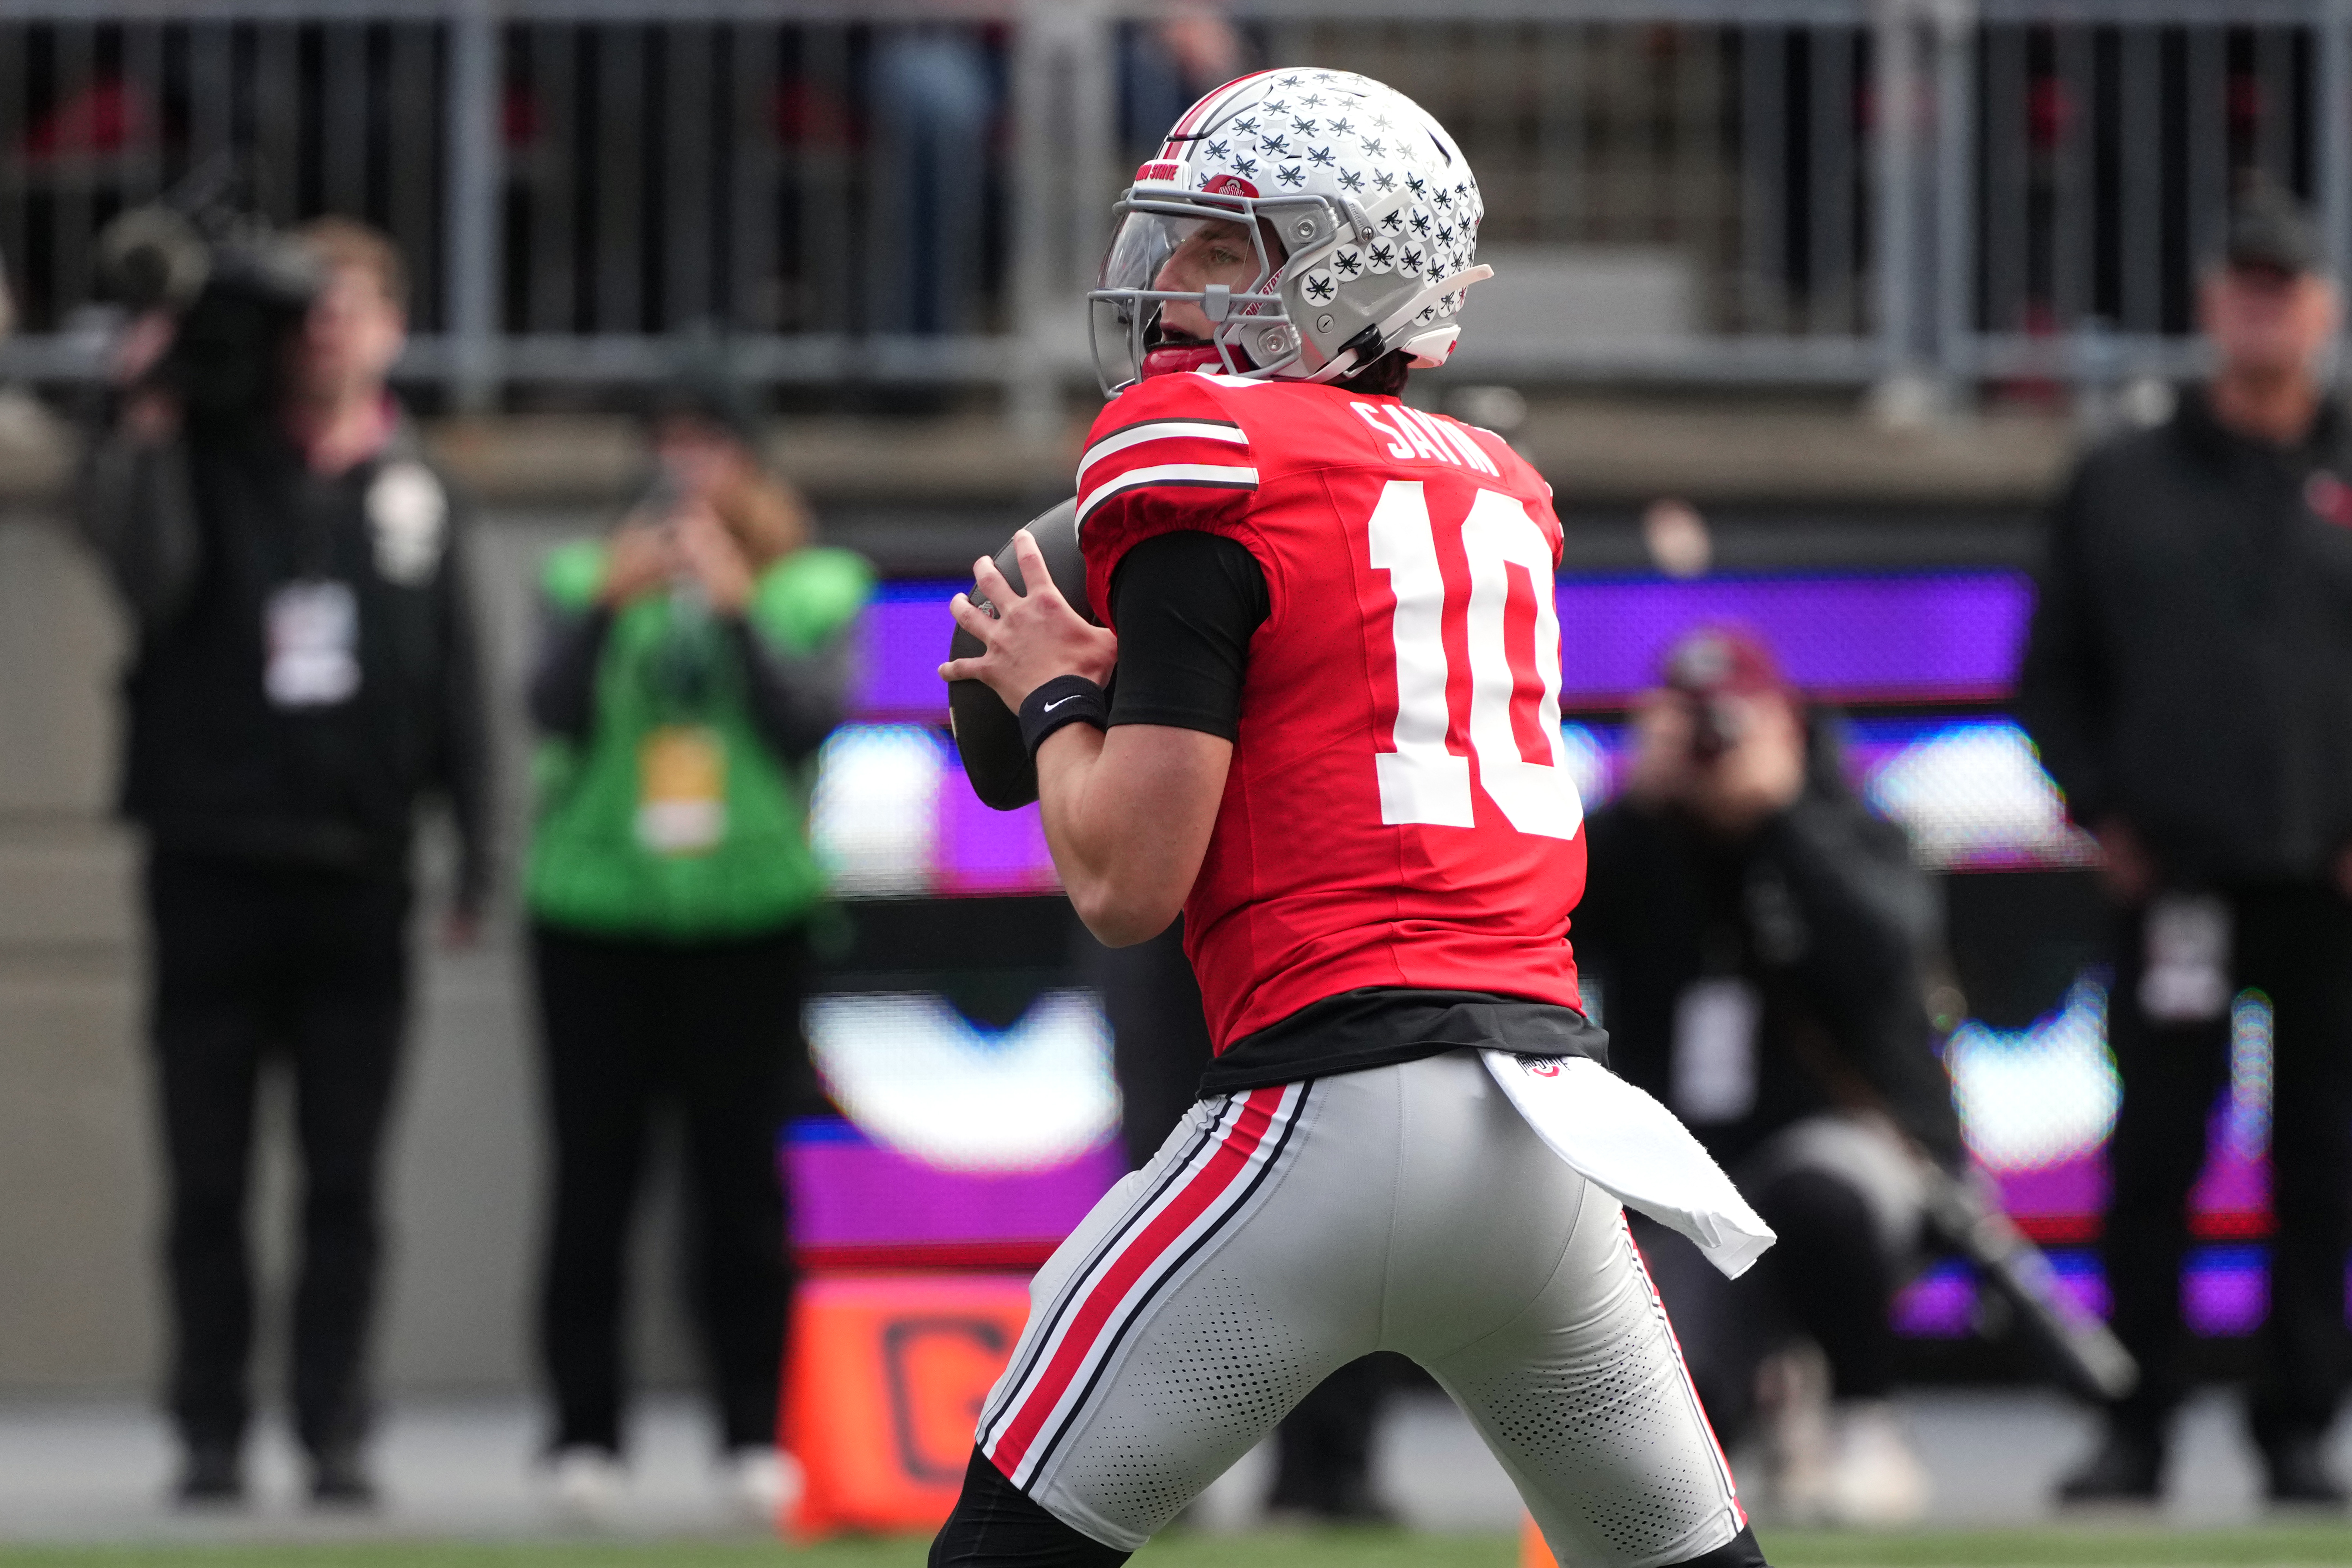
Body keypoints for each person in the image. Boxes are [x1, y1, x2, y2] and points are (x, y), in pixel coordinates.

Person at [932, 70, 1771, 1568]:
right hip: (1547, 1132)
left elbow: (1128, 879)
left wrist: (1058, 696)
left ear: (1344, 270)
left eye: (1217, 251)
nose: (1167, 284)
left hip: (1321, 1108)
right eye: (1172, 240)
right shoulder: (1498, 489)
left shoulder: (1202, 455)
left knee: (1008, 1548)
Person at [75, 218, 491, 1506]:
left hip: (360, 870)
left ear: (393, 328)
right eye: (307, 306)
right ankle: (208, 1427)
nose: (326, 325)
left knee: (345, 1179)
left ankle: (332, 1426)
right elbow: (141, 577)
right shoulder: (202, 451)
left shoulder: (415, 485)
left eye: (351, 303)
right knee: (207, 1173)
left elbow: (459, 682)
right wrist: (147, 404)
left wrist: (476, 853)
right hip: (212, 860)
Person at [2019, 182, 2352, 1506]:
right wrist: (2107, 813)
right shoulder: (2124, 478)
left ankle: (2299, 1428)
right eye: (2246, 284)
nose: (2265, 308)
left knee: (2322, 1168)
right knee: (2152, 1161)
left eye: (2288, 285)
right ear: (2215, 304)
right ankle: (2135, 1416)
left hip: (2330, 885)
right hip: (2175, 883)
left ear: (2321, 307)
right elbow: (2052, 674)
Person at [521, 367, 872, 1522]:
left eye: (710, 444)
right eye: (669, 445)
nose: (689, 470)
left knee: (740, 1190)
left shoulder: (812, 586)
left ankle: (751, 1437)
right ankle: (584, 1438)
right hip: (597, 917)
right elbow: (552, 712)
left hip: (747, 917)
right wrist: (607, 607)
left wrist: (734, 607)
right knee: (594, 1182)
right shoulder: (582, 575)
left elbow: (801, 719)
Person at [1574, 627, 1962, 1525]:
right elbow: (1551, 932)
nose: (1714, 748)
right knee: (1673, 1436)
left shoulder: (1856, 832)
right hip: (1690, 1183)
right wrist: (1637, 806)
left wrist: (1783, 817)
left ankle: (1868, 1421)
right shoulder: (1639, 844)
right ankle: (1768, 1395)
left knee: (1816, 1193)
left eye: (1731, 725)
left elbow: (1884, 958)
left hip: (1843, 1162)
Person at [1091, 922, 1395, 1525]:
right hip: (1175, 919)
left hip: (1305, 913)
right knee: (1171, 1192)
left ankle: (1329, 1470)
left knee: (1335, 1173)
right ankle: (1154, 1468)